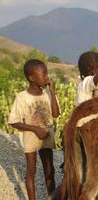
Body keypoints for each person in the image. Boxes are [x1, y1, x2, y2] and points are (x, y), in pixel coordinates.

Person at [8, 59, 60, 200]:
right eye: (43, 74)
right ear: (31, 78)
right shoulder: (22, 97)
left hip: (47, 135)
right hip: (31, 136)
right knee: (31, 171)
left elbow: (55, 114)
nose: (47, 77)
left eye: (47, 73)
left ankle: (51, 197)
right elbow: (14, 122)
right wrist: (35, 129)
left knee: (50, 169)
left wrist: (53, 93)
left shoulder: (48, 94)